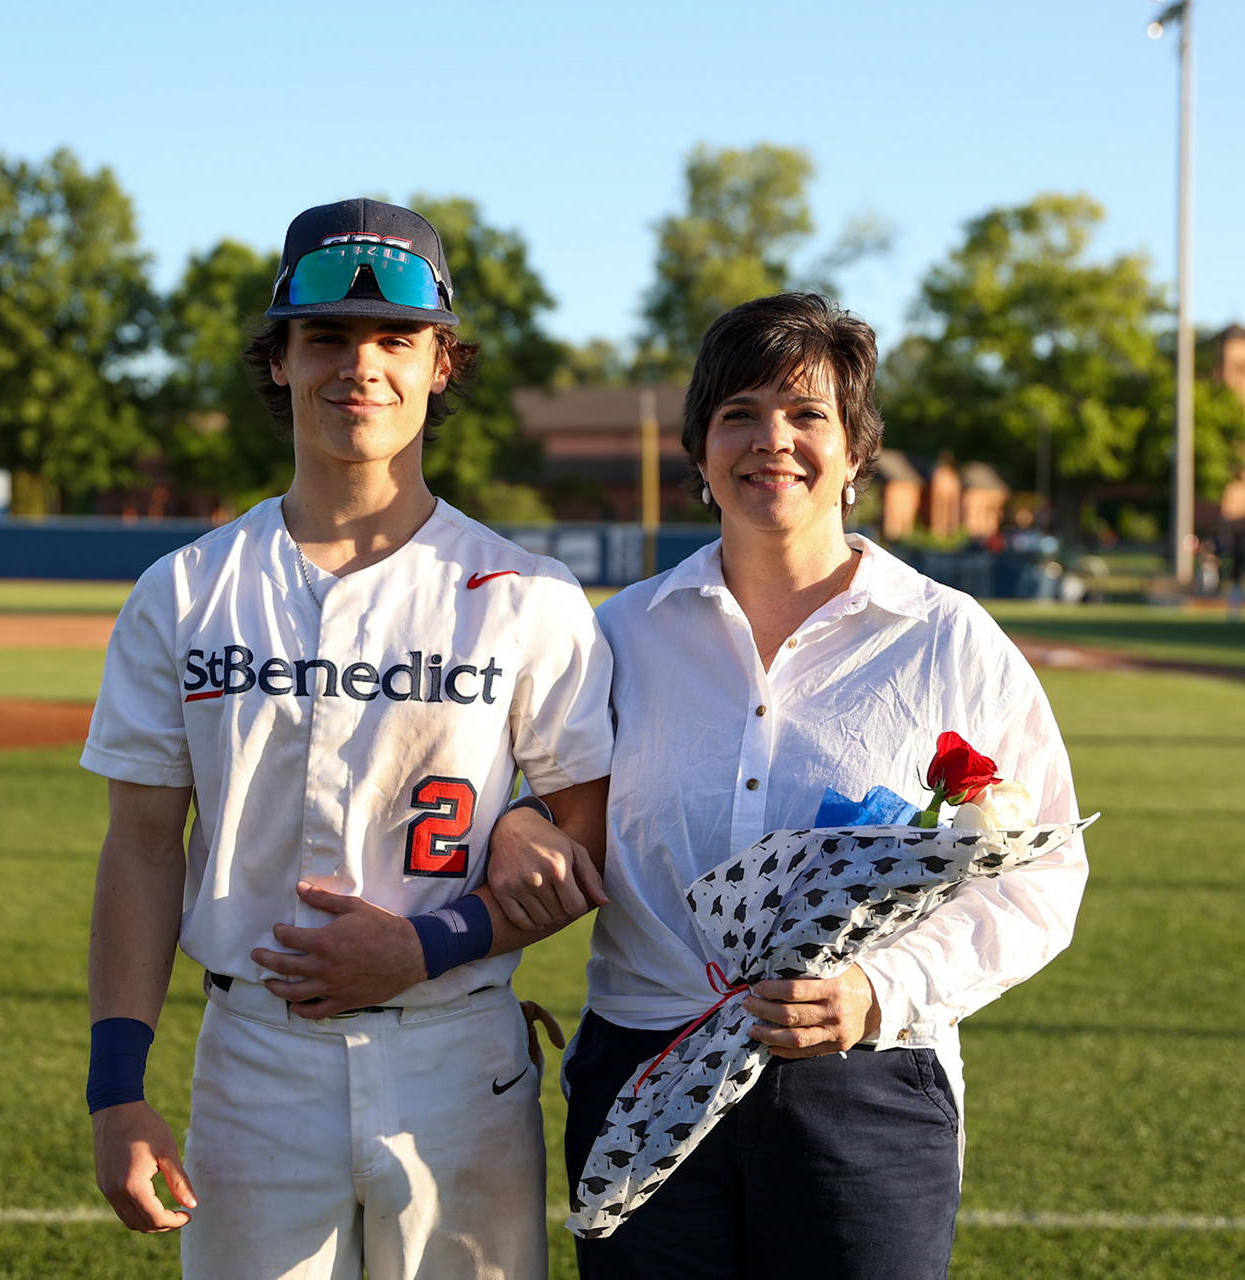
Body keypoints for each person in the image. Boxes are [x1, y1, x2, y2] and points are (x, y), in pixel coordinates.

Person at [489, 292, 1088, 1278]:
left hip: (865, 1086)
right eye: (738, 414)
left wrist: (876, 988)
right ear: (701, 448)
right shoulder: (621, 635)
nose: (773, 439)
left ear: (855, 452)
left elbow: (1044, 873)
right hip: (647, 1061)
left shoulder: (947, 640)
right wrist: (523, 824)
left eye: (807, 413)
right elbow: (560, 808)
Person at [82, 197, 613, 1280]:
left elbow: (587, 828)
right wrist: (117, 1085)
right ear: (277, 358)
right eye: (325, 336)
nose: (357, 366)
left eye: (394, 338)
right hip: (255, 1057)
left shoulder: (529, 595)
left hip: (458, 1052)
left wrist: (427, 943)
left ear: (442, 363)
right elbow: (140, 843)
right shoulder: (185, 590)